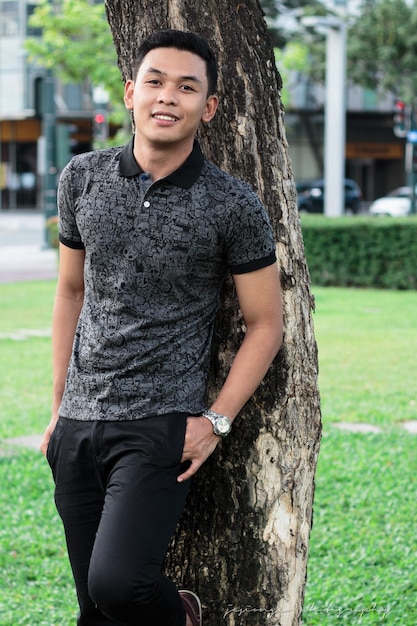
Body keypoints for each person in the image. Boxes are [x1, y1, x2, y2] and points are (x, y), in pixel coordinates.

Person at [41, 29, 283, 626]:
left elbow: (266, 323)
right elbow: (70, 290)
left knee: (120, 586)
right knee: (94, 608)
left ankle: (183, 614)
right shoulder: (81, 178)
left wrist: (215, 422)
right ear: (130, 93)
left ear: (210, 106)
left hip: (158, 425)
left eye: (186, 86)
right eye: (153, 81)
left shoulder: (231, 203)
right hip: (79, 420)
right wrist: (57, 408)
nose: (166, 97)